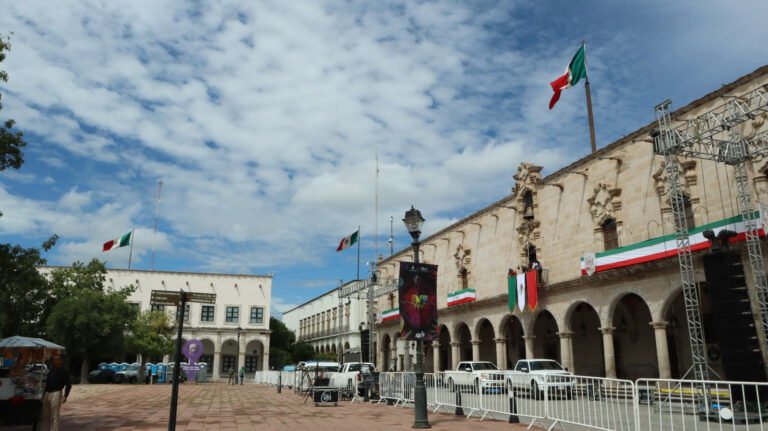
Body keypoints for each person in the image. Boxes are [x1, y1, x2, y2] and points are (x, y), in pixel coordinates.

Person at [41, 355, 71, 431]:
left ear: (61, 361)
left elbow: (68, 384)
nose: (55, 361)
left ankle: (54, 429)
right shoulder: (51, 369)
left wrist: (65, 396)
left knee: (54, 414)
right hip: (47, 392)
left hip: (56, 392)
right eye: (54, 360)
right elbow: (47, 382)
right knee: (45, 414)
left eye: (57, 360)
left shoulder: (64, 370)